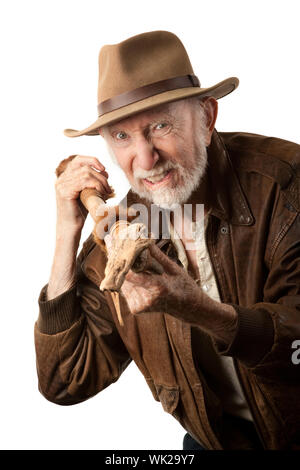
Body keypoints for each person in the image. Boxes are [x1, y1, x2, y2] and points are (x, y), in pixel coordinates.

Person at [35, 30, 300, 450]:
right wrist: (67, 232)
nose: (144, 158)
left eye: (160, 125)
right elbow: (66, 380)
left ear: (207, 117)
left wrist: (201, 310)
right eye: (122, 137)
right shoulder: (122, 233)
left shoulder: (286, 186)